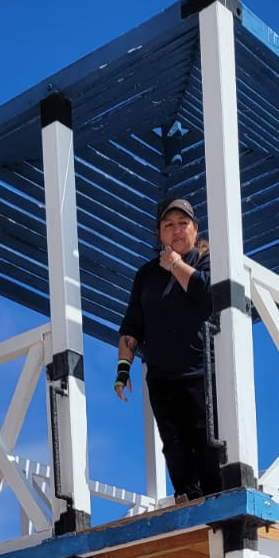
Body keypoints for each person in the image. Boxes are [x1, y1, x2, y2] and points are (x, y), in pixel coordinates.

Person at [115, 197, 222, 501]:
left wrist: (175, 264)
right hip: (162, 379)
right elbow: (131, 327)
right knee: (175, 452)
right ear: (159, 233)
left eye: (183, 224)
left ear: (195, 229)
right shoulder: (145, 275)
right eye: (168, 225)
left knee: (209, 452)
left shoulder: (208, 261)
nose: (176, 230)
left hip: (203, 375)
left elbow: (207, 295)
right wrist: (122, 370)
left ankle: (221, 514)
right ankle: (188, 507)